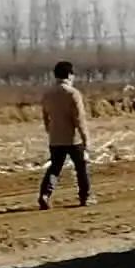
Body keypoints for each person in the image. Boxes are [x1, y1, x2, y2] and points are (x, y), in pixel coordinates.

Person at [38, 59, 92, 209]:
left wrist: (50, 130)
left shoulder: (47, 94)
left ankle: (45, 194)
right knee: (81, 168)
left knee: (54, 168)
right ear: (69, 75)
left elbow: (45, 116)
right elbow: (79, 118)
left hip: (55, 138)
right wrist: (85, 139)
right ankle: (85, 197)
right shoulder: (73, 94)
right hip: (73, 139)